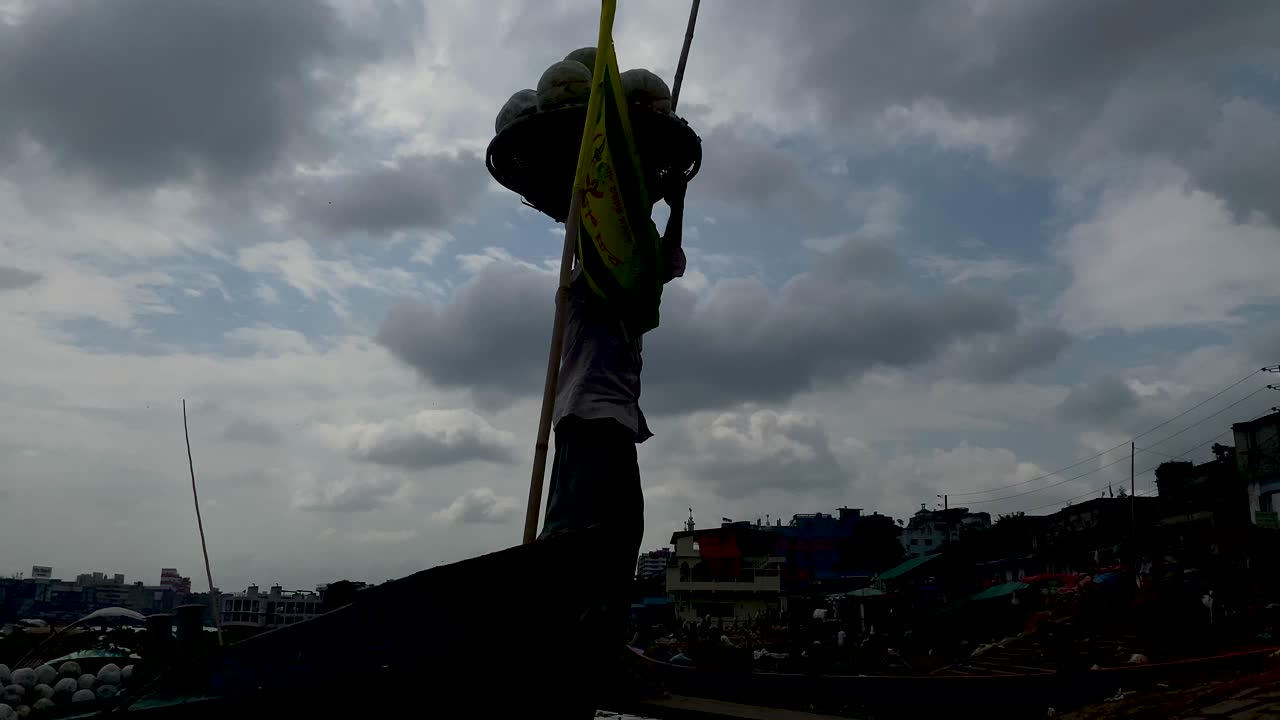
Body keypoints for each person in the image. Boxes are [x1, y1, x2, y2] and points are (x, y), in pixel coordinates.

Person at [539, 174, 687, 715]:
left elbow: (667, 261)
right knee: (580, 535)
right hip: (587, 414)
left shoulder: (640, 285)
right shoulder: (593, 276)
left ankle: (599, 647)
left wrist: (676, 202)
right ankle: (572, 646)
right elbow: (593, 236)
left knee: (622, 534)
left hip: (616, 420)